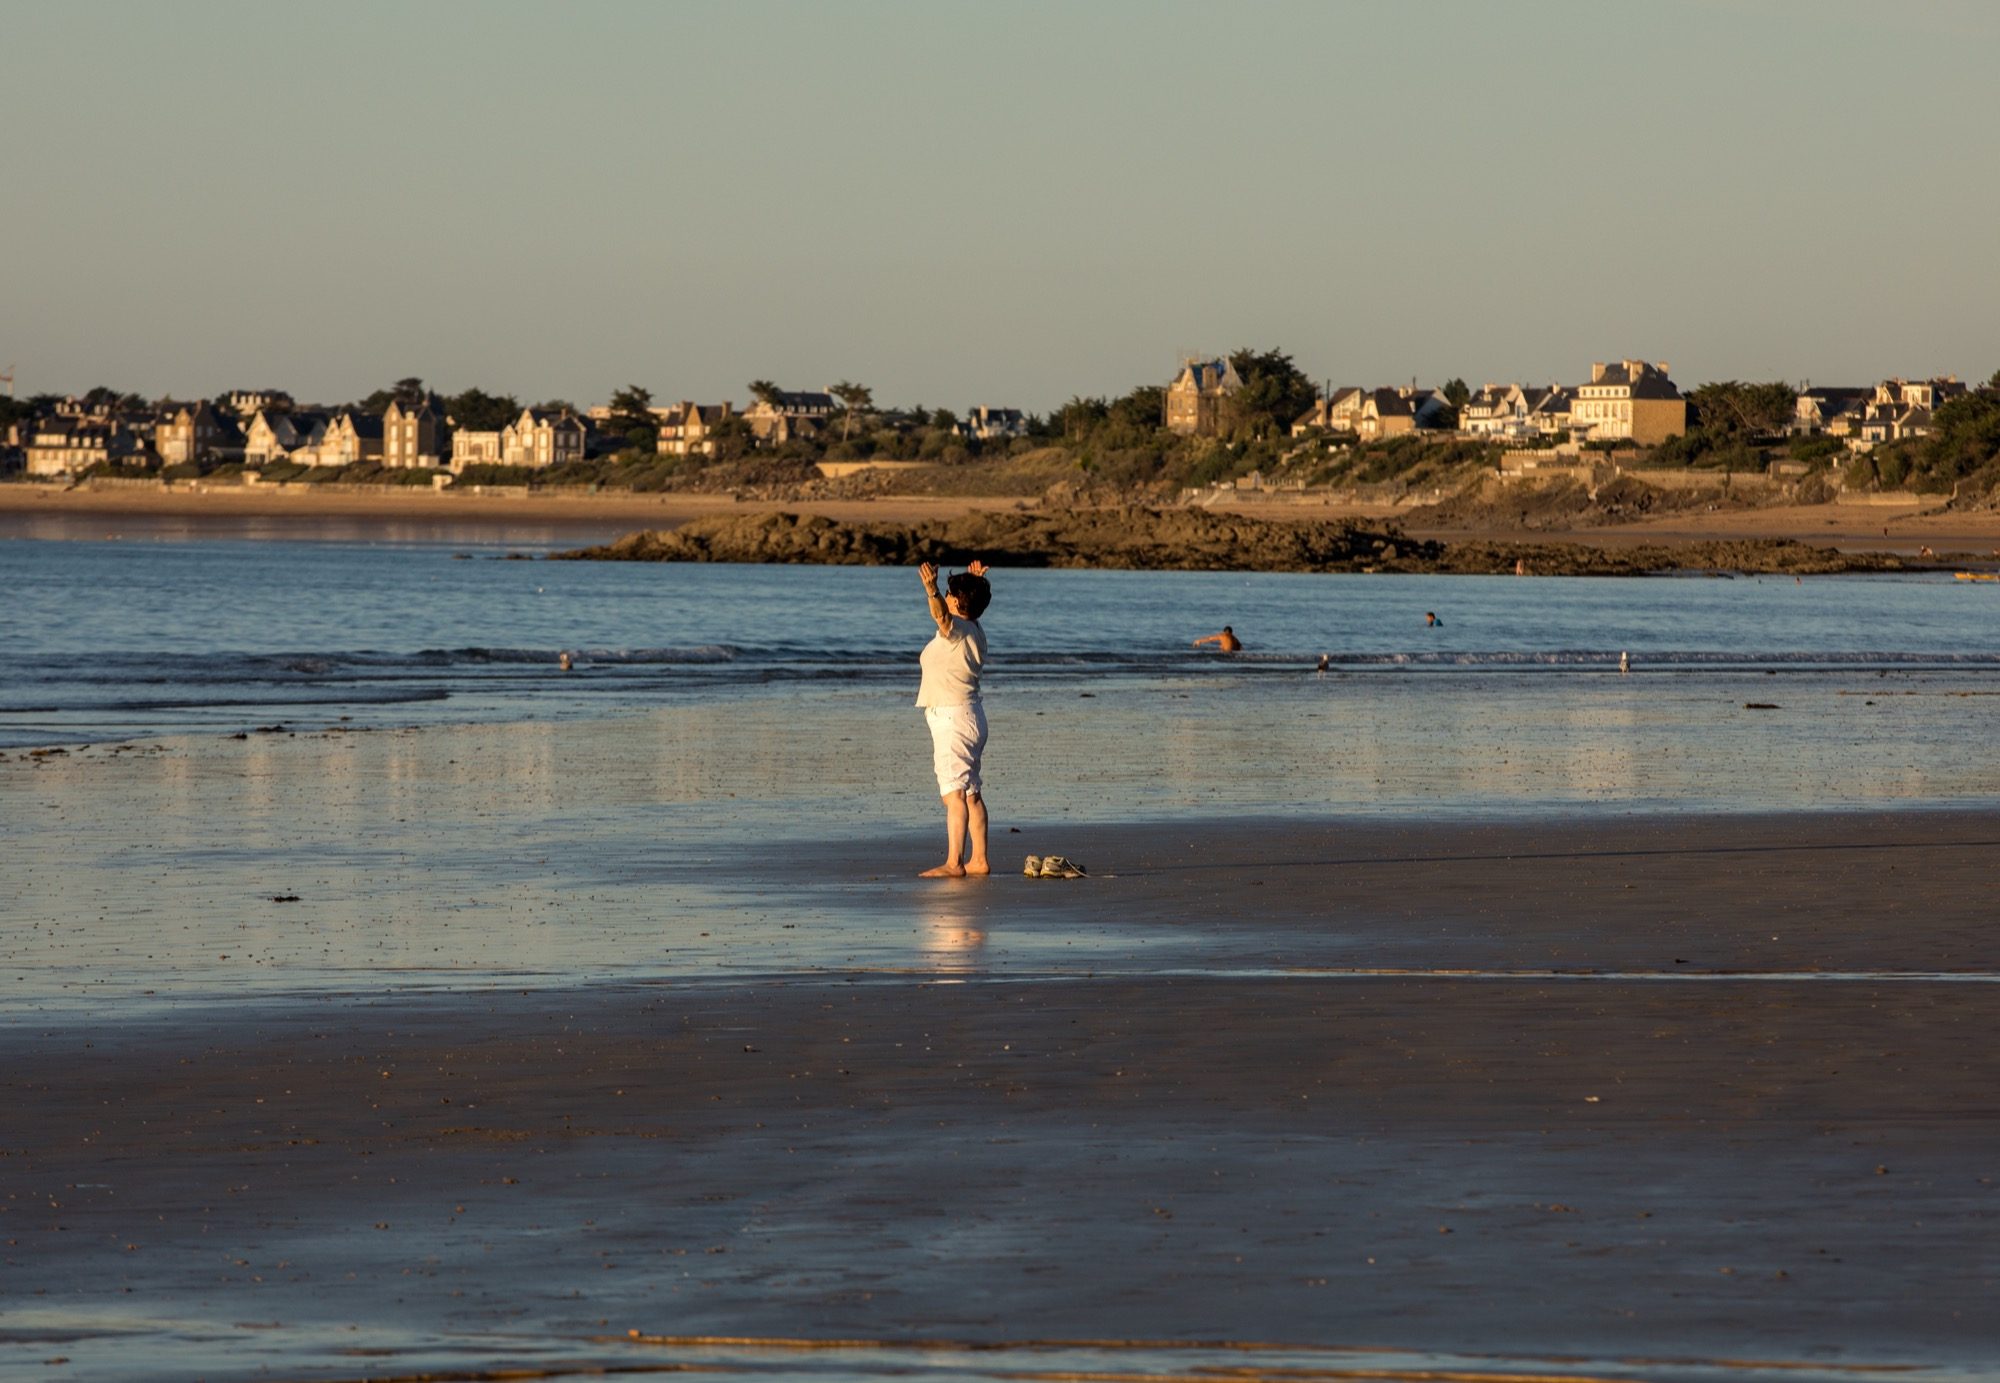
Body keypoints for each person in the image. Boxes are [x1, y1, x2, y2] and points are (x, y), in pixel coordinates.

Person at [915, 559, 992, 878]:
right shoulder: (975, 629)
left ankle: (954, 862)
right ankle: (979, 860)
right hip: (970, 717)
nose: (946, 596)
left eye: (950, 593)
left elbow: (942, 615)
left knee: (955, 793)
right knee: (971, 791)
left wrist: (931, 589)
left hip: (954, 720)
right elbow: (961, 610)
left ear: (959, 602)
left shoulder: (956, 630)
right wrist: (973, 582)